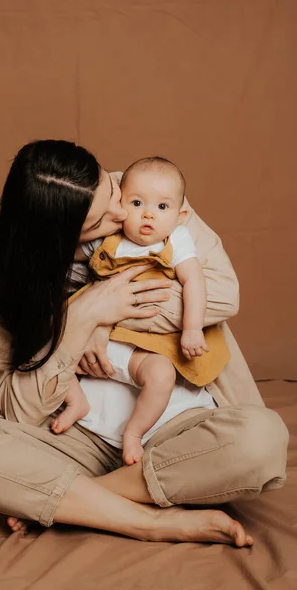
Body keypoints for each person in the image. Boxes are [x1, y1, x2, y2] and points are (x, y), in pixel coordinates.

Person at [0, 139, 289, 547]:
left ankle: (78, 499)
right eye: (97, 225)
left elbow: (222, 294)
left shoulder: (147, 192)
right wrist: (80, 318)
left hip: (176, 432)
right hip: (74, 436)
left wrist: (109, 315)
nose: (122, 214)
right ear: (57, 245)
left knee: (261, 438)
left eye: (113, 194)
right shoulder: (12, 283)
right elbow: (18, 409)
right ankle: (147, 521)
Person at [51, 156, 229, 466]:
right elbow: (64, 252)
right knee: (53, 343)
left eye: (162, 207)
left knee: (161, 374)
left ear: (180, 214)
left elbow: (194, 282)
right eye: (136, 203)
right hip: (98, 337)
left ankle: (133, 432)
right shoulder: (107, 239)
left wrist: (192, 328)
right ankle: (76, 401)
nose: (148, 214)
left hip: (144, 342)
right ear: (121, 204)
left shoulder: (176, 241)